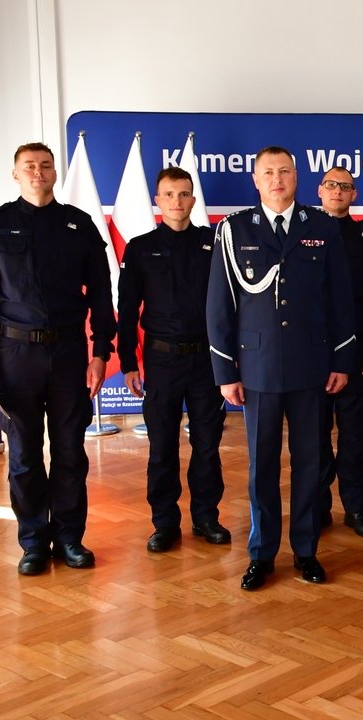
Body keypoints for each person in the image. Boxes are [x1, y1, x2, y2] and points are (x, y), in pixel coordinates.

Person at [207, 146, 356, 591]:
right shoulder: (233, 230)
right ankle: (262, 554)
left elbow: (340, 299)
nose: (277, 179)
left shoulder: (322, 227)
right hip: (257, 368)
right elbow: (219, 305)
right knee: (262, 467)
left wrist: (342, 359)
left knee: (310, 463)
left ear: (296, 177)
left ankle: (306, 550)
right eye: (268, 172)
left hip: (312, 366)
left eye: (285, 171)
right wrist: (226, 372)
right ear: (255, 180)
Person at [0, 142, 116, 575]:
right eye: (29, 166)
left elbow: (101, 293)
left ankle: (69, 539)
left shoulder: (79, 225)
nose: (38, 172)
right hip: (17, 356)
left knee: (70, 451)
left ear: (55, 173)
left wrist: (100, 352)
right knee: (24, 453)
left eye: (45, 165)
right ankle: (33, 543)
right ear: (15, 174)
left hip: (69, 353)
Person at [118, 166, 229, 553]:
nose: (177, 201)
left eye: (184, 194)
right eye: (169, 194)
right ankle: (164, 523)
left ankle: (206, 517)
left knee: (207, 445)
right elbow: (127, 311)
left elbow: (231, 305)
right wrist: (128, 363)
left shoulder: (214, 244)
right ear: (158, 201)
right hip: (161, 360)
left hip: (206, 361)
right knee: (162, 446)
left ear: (193, 200)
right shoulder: (140, 248)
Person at [314, 167, 363, 537]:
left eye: (344, 187)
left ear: (354, 195)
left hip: (359, 352)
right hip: (311, 353)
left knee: (355, 438)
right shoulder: (301, 232)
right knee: (313, 436)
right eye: (331, 185)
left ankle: (357, 508)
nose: (337, 191)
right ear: (320, 191)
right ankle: (317, 507)